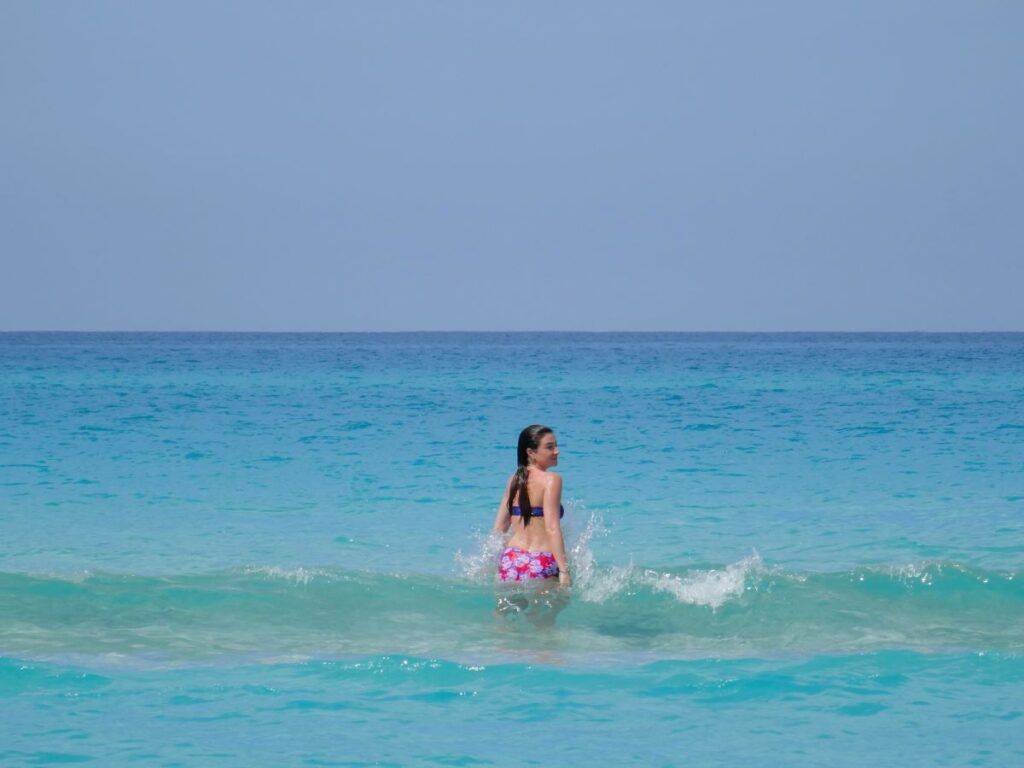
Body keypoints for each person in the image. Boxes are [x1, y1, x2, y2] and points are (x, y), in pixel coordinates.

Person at [492, 424, 571, 588]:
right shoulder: (552, 479)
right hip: (541, 559)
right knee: (546, 611)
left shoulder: (513, 479)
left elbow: (500, 527)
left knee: (503, 611)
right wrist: (564, 571)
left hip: (511, 558)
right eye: (550, 447)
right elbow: (552, 528)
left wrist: (494, 561)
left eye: (556, 446)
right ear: (531, 452)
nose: (557, 451)